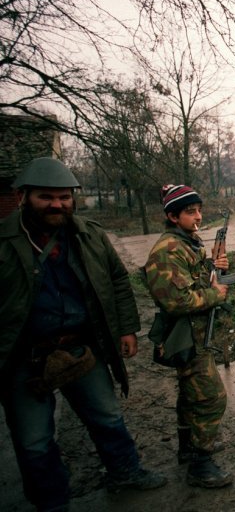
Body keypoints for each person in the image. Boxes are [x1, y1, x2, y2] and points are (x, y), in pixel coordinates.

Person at [0, 157, 166, 512]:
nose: (57, 204)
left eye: (63, 197)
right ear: (23, 196)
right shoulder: (3, 241)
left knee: (107, 415)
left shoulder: (89, 235)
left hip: (82, 348)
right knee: (34, 441)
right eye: (46, 197)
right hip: (23, 357)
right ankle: (51, 502)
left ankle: (125, 472)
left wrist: (126, 328)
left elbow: (118, 280)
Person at [144, 184, 233, 488]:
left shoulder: (186, 242)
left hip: (194, 333)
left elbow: (191, 280)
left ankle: (188, 448)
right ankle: (201, 463)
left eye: (199, 210)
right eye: (190, 212)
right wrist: (215, 294)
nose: (198, 216)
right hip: (185, 335)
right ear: (172, 216)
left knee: (190, 395)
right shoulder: (168, 249)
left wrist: (212, 266)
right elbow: (176, 300)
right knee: (211, 398)